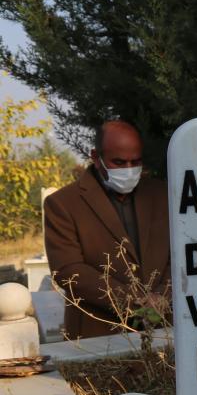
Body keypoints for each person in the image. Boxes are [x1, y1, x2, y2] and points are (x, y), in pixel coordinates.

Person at [44, 120, 170, 339]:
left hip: (165, 331)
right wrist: (136, 302)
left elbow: (184, 250)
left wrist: (163, 296)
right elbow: (68, 269)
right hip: (98, 335)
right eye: (119, 162)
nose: (129, 170)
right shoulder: (63, 203)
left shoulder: (162, 194)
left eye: (135, 161)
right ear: (96, 157)